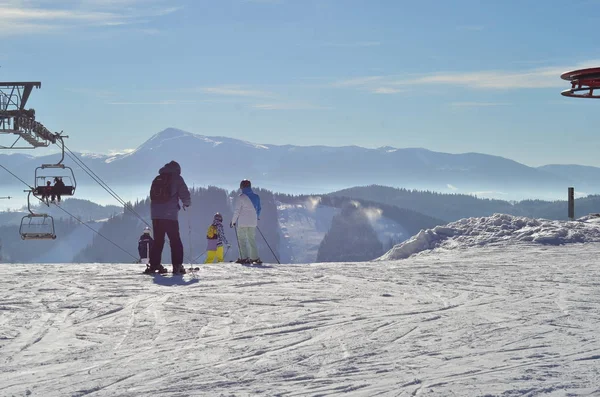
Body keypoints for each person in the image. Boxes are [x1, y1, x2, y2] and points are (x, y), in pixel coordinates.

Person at [146, 160, 191, 275]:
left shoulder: (158, 178)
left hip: (156, 215)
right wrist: (186, 203)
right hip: (170, 215)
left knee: (158, 241)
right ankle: (177, 266)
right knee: (175, 240)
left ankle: (154, 265)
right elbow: (185, 194)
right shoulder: (177, 178)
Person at [230, 179, 262, 264]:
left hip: (242, 222)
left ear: (242, 187)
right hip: (253, 222)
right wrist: (256, 217)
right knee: (252, 239)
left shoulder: (241, 197)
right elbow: (259, 209)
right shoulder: (256, 196)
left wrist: (233, 221)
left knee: (242, 239)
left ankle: (244, 258)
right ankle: (254, 258)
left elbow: (237, 210)